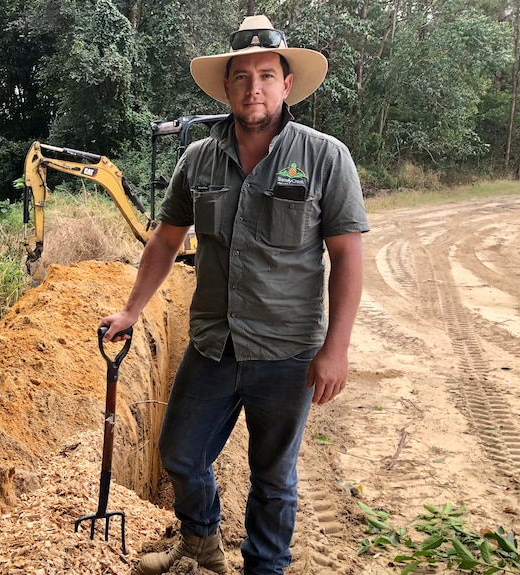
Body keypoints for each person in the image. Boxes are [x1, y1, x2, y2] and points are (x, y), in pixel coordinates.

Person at [100, 14, 369, 575]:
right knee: (179, 453)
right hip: (213, 345)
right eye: (242, 75)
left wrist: (336, 349)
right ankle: (202, 545)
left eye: (267, 74)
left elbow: (347, 257)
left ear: (286, 84)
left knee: (273, 478)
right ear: (226, 86)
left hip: (288, 351)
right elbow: (165, 240)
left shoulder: (325, 158)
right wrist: (132, 309)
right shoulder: (197, 160)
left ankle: (263, 567)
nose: (254, 87)